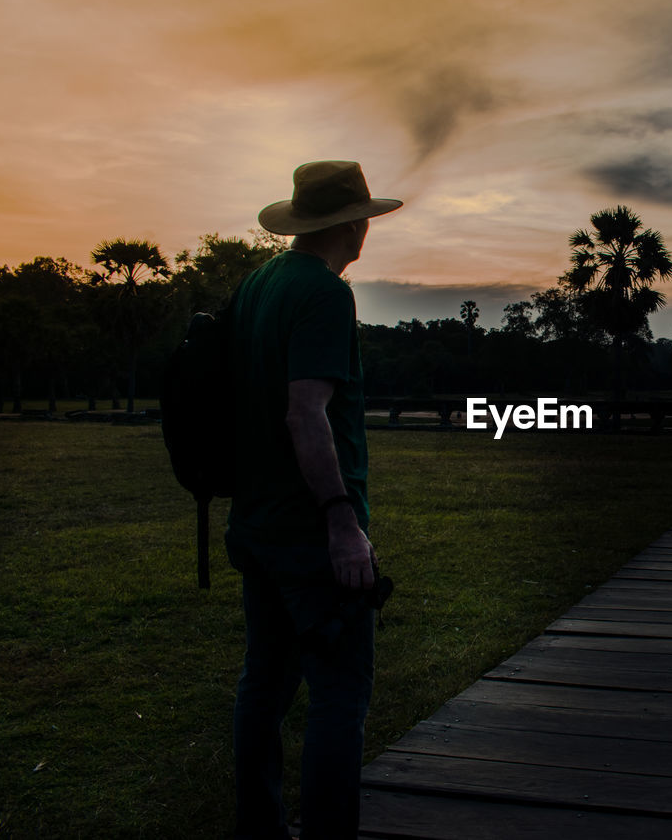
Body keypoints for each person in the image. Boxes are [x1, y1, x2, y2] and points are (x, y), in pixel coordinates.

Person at [225, 160, 402, 839]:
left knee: (263, 685)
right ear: (352, 225)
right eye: (364, 220)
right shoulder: (326, 294)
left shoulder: (258, 284)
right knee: (339, 693)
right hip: (309, 529)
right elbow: (307, 414)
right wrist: (342, 522)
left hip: (258, 522)